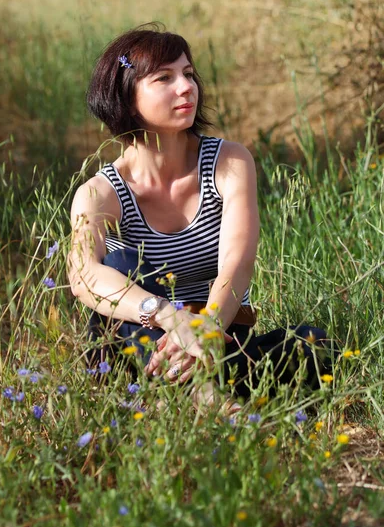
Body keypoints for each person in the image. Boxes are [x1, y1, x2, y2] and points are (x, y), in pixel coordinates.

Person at [67, 24, 331, 412]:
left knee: (313, 344)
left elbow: (236, 265)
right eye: (164, 78)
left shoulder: (230, 162)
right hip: (135, 342)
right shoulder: (100, 191)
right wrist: (166, 317)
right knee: (120, 263)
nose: (186, 87)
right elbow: (82, 275)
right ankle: (204, 400)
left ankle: (183, 398)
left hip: (216, 336)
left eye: (189, 74)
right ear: (125, 96)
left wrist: (204, 329)